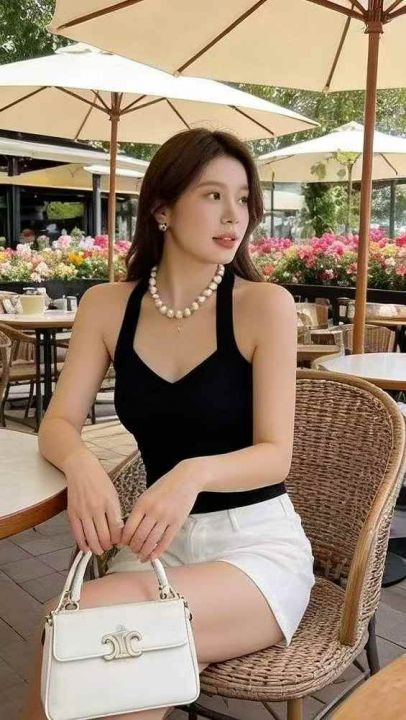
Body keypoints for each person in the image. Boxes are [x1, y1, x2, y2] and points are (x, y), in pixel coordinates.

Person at [23, 128, 315, 720]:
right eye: (212, 195)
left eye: (243, 199)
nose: (234, 216)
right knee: (79, 646)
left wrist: (190, 474)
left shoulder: (265, 305)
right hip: (156, 548)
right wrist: (81, 465)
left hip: (254, 547)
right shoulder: (108, 306)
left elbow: (275, 454)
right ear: (162, 208)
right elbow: (59, 423)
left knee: (103, 640)